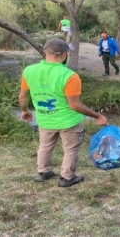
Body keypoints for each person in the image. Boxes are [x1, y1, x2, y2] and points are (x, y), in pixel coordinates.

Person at [19, 38, 108, 187]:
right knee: (70, 149)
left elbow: (23, 95)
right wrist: (97, 116)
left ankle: (43, 172)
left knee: (45, 146)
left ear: (46, 52)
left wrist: (24, 110)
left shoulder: (29, 71)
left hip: (45, 119)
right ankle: (67, 178)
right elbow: (74, 104)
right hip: (69, 122)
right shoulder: (69, 75)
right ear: (64, 54)